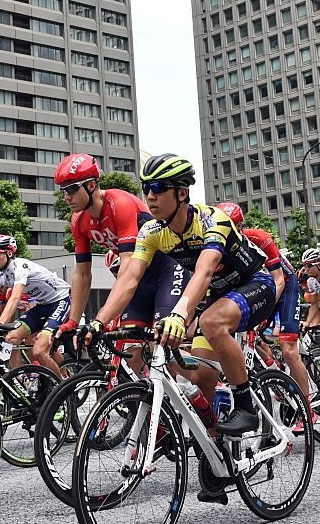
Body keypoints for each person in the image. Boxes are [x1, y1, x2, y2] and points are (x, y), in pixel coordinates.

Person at [83, 154, 275, 436]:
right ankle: (216, 446)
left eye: (159, 188)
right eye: (146, 188)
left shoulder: (212, 220)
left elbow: (203, 272)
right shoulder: (150, 231)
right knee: (201, 374)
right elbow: (129, 279)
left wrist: (179, 314)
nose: (150, 196)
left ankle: (245, 407)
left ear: (182, 192)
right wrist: (98, 322)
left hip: (255, 285)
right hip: (217, 296)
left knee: (211, 322)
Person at [52, 153, 187, 378]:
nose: (66, 196)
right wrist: (73, 320)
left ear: (92, 185)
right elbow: (82, 275)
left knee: (161, 346)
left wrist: (101, 317)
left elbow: (126, 265)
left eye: (71, 189)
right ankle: (158, 407)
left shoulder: (119, 203)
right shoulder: (79, 221)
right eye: (63, 190)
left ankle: (199, 393)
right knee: (133, 353)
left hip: (166, 270)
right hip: (137, 279)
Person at [216, 202, 313, 430]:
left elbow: (278, 280)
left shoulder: (259, 238)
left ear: (241, 226)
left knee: (288, 348)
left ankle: (307, 409)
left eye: (233, 227)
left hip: (284, 287)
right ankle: (273, 372)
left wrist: (262, 314)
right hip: (256, 288)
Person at [0, 235, 69, 378]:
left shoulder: (20, 265)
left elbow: (15, 297)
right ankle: (20, 381)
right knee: (11, 339)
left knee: (39, 350)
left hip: (61, 300)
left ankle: (64, 390)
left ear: (9, 253)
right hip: (42, 306)